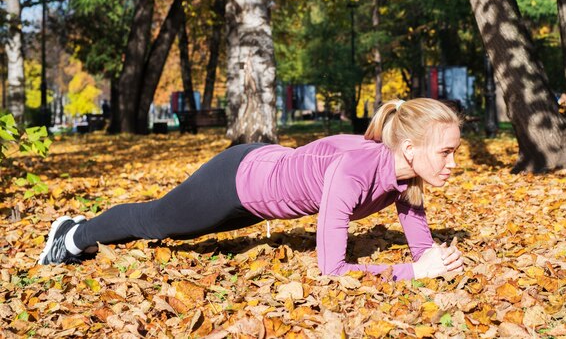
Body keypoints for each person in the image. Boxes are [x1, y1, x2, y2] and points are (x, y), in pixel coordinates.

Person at [39, 98, 464, 281]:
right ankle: (73, 235)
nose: (454, 163)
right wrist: (415, 273)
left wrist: (432, 263)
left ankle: (81, 233)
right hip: (236, 180)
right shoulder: (355, 169)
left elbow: (420, 251)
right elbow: (332, 271)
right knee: (158, 223)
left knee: (183, 233)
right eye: (445, 152)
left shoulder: (405, 178)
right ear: (409, 147)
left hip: (264, 186)